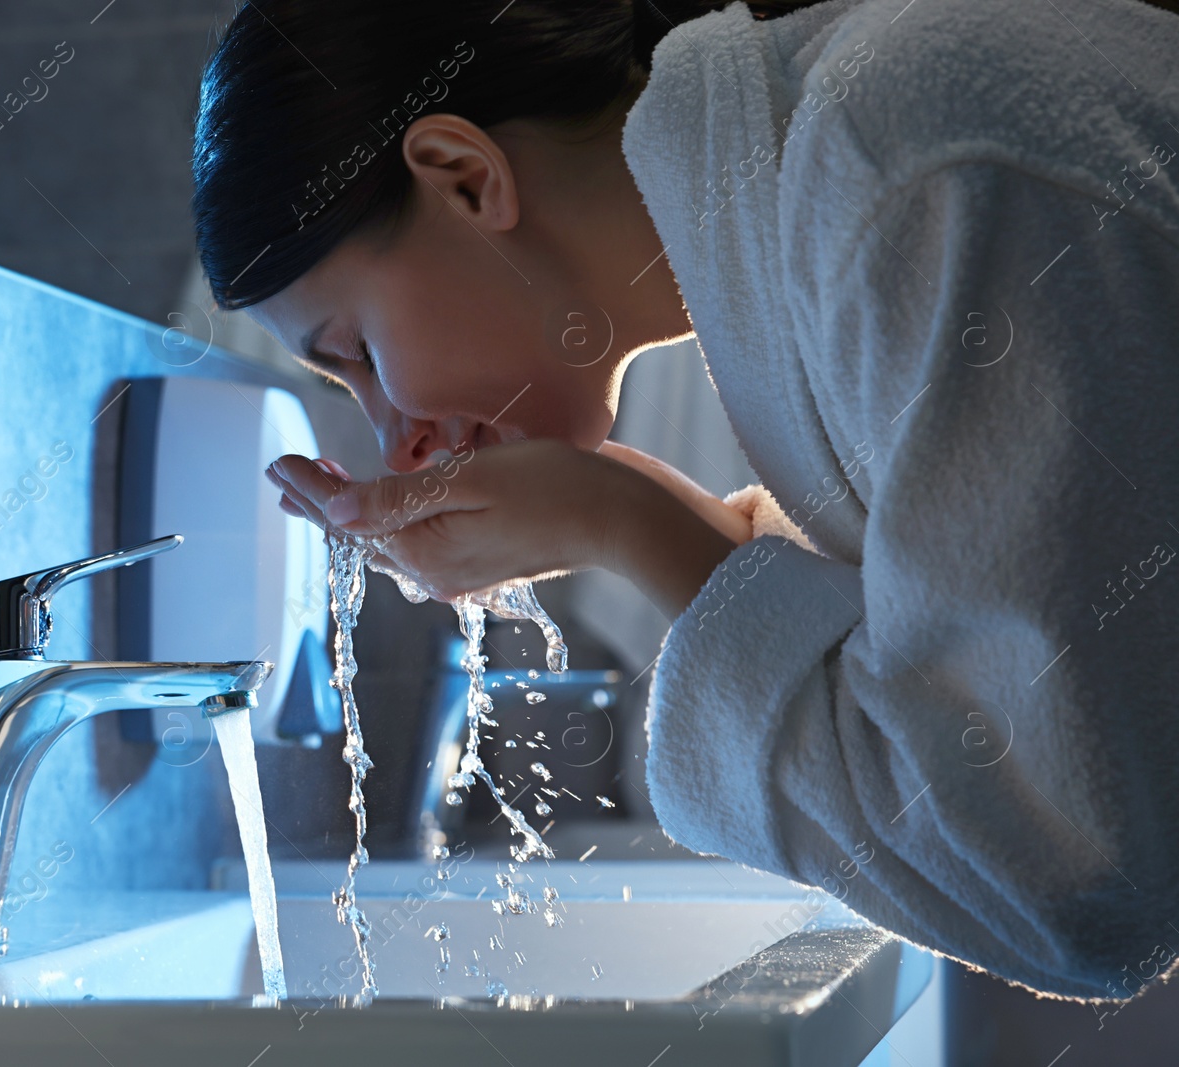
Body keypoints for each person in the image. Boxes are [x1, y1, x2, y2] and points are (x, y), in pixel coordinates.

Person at [191, 0, 1179, 1000]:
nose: (395, 436)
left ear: (464, 175)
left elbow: (1076, 880)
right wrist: (619, 510)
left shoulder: (905, 160)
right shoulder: (832, 182)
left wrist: (623, 522)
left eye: (355, 353)